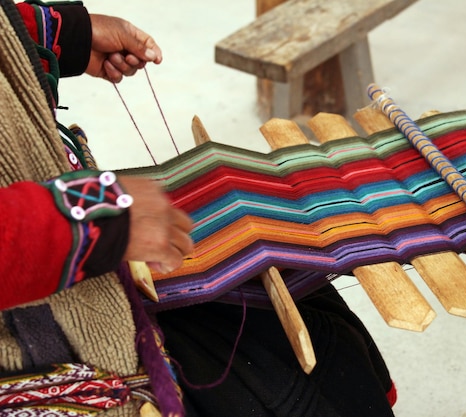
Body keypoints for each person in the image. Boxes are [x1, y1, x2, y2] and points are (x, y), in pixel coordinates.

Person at [0, 1, 396, 416]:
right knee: (269, 379)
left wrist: (56, 34)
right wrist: (85, 223)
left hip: (48, 222)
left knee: (311, 306)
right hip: (31, 305)